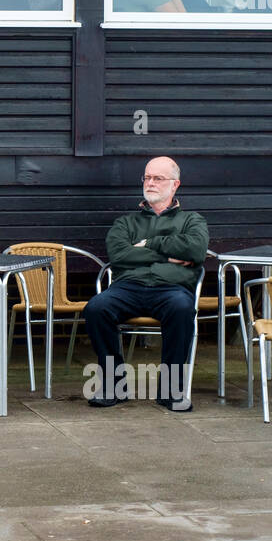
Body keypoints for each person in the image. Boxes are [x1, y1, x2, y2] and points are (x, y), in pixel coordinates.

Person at [82, 156, 208, 412]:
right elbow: (119, 255)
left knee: (182, 309)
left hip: (172, 289)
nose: (150, 183)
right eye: (147, 177)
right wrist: (170, 253)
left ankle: (171, 391)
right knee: (96, 308)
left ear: (175, 185)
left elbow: (195, 249)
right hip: (128, 287)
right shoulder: (125, 223)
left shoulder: (192, 221)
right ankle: (113, 386)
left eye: (158, 178)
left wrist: (150, 244)